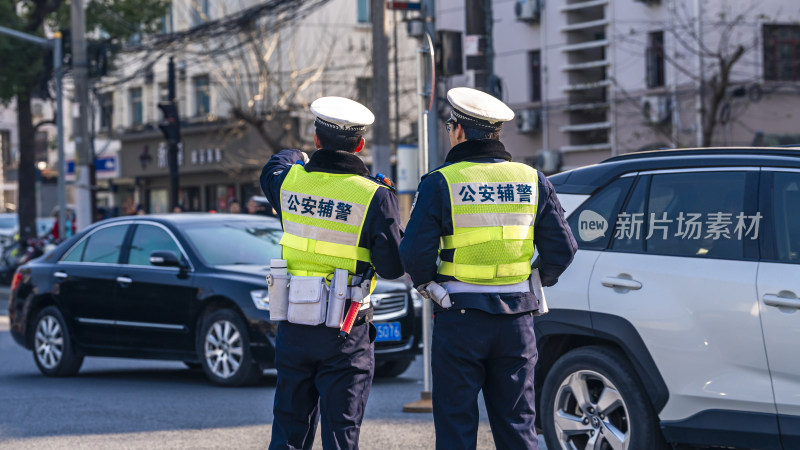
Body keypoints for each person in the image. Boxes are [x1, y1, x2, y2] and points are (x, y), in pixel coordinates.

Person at [399, 87, 577, 450]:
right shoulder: (531, 179)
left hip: (459, 316)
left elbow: (414, 254)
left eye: (451, 125)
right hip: (517, 320)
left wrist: (429, 285)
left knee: (456, 425)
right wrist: (533, 281)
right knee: (517, 424)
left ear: (460, 131)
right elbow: (562, 250)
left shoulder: (441, 181)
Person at [260, 96, 404, 450]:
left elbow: (273, 166)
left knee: (289, 432)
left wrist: (299, 155)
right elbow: (392, 267)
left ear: (316, 140)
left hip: (294, 324)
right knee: (341, 435)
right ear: (360, 145)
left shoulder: (288, 183)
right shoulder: (375, 196)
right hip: (345, 330)